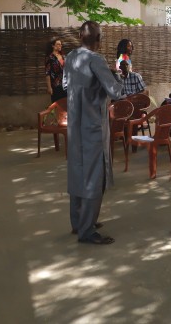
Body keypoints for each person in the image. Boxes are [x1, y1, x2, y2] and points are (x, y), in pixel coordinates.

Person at [63, 21, 123, 245]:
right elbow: (115, 92)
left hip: (74, 126)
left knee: (77, 171)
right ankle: (87, 230)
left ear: (80, 36)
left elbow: (66, 85)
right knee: (94, 177)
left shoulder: (71, 57)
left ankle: (78, 222)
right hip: (93, 127)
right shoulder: (96, 60)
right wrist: (118, 76)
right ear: (99, 39)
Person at [44, 37, 66, 102]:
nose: (60, 46)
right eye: (58, 44)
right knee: (57, 103)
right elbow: (47, 73)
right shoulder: (50, 58)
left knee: (66, 104)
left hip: (65, 84)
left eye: (61, 44)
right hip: (56, 85)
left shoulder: (63, 56)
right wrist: (49, 87)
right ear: (53, 46)